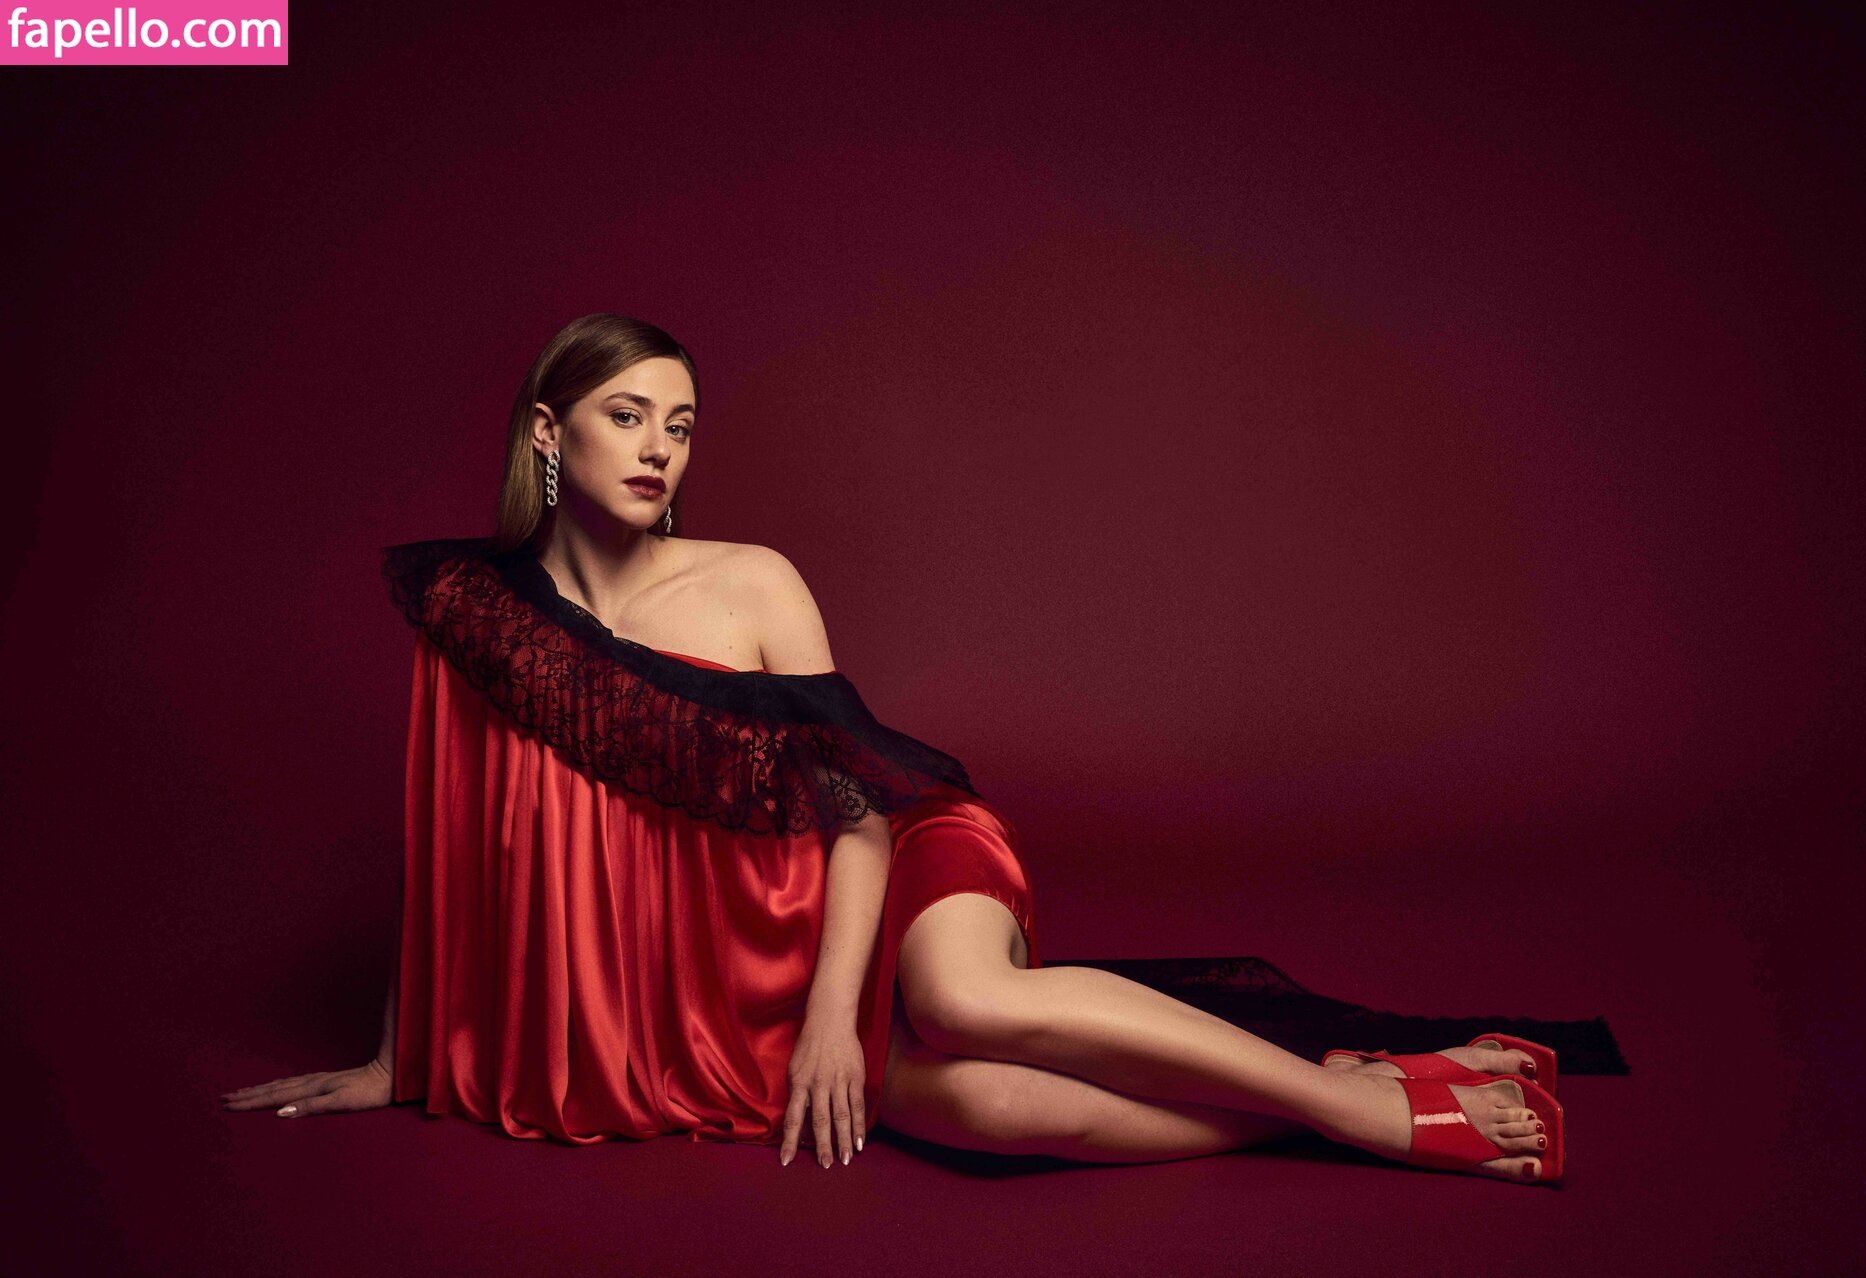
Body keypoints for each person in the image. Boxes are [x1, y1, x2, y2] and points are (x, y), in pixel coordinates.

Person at [220, 314, 1565, 1185]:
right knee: (977, 1111)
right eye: (626, 415)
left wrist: (829, 1016)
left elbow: (857, 812)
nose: (658, 448)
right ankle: (1325, 1096)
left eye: (679, 423)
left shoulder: (753, 580)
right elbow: (457, 849)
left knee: (966, 1005)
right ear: (546, 430)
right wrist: (400, 1055)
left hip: (885, 871)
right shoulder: (477, 614)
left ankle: (1369, 1117)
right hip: (724, 983)